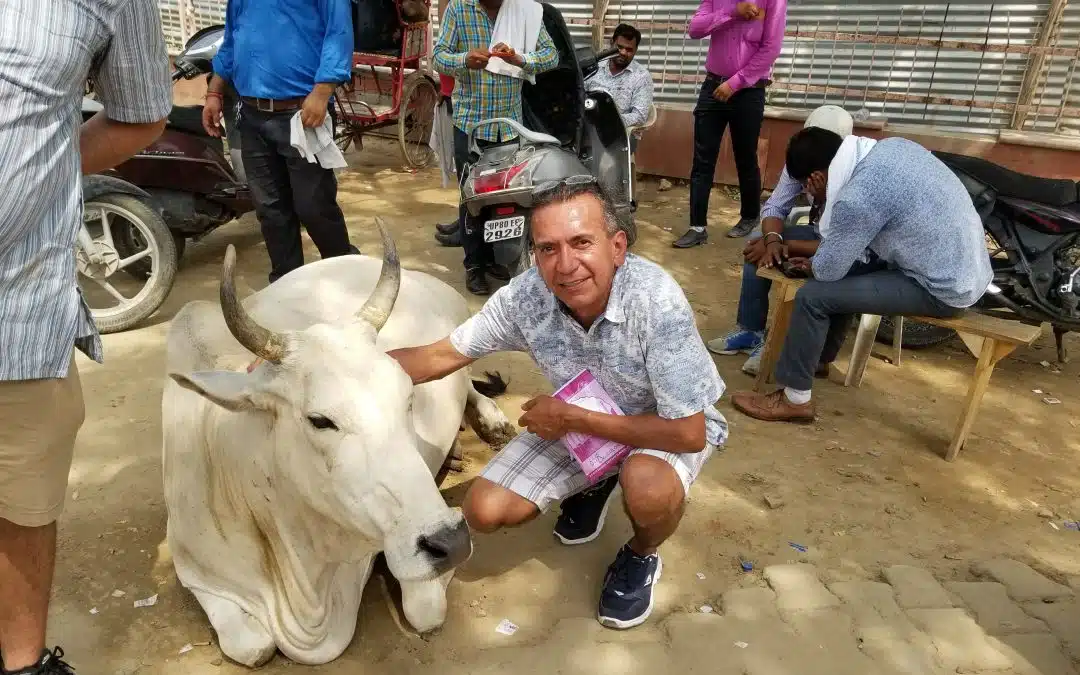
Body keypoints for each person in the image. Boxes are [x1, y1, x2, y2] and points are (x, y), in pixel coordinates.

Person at [389, 182, 727, 629]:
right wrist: (339, 365)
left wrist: (571, 417)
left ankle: (641, 553)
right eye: (548, 249)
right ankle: (599, 478)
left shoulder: (656, 301)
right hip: (580, 421)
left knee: (647, 487)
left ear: (617, 246)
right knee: (484, 510)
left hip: (659, 425)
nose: (565, 265)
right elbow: (439, 356)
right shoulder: (525, 298)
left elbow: (689, 433)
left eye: (582, 242)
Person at [0, 0, 172, 672]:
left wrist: (43, 168)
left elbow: (141, 113)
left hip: (16, 310)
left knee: (21, 499)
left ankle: (22, 663)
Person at [729, 128, 994, 422]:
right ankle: (817, 360)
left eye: (807, 187)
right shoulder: (891, 147)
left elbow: (828, 270)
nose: (808, 193)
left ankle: (795, 400)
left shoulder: (858, 196)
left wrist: (814, 254)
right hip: (967, 272)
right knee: (843, 277)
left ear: (817, 177)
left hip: (941, 288)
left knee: (813, 296)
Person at [203, 0, 360, 284]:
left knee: (314, 206)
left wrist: (323, 91)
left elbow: (338, 32)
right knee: (270, 209)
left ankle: (347, 279)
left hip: (303, 114)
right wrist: (214, 91)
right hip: (251, 114)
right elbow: (233, 37)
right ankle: (287, 284)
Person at [707, 105, 854, 376]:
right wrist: (772, 240)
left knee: (830, 277)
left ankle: (799, 352)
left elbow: (842, 245)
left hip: (848, 246)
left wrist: (823, 196)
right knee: (757, 244)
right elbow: (775, 206)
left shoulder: (855, 173)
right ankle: (752, 331)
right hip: (817, 234)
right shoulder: (803, 156)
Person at [432, 0, 560, 296]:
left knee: (505, 197)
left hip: (509, 126)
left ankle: (495, 259)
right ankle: (474, 265)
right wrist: (464, 59)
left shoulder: (523, 10)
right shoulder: (459, 9)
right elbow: (439, 57)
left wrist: (520, 59)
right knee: (471, 199)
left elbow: (550, 55)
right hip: (471, 125)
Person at [673, 0, 788, 248]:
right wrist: (732, 12)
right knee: (702, 160)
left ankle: (749, 216)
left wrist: (735, 83)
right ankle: (697, 227)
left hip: (749, 91)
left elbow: (771, 48)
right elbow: (695, 29)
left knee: (745, 157)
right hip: (713, 86)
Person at [584, 24, 654, 152]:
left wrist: (610, 122)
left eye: (629, 49)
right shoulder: (595, 67)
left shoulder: (641, 76)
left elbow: (639, 116)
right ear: (612, 43)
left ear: (636, 50)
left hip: (620, 135)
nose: (623, 53)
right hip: (588, 129)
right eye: (619, 47)